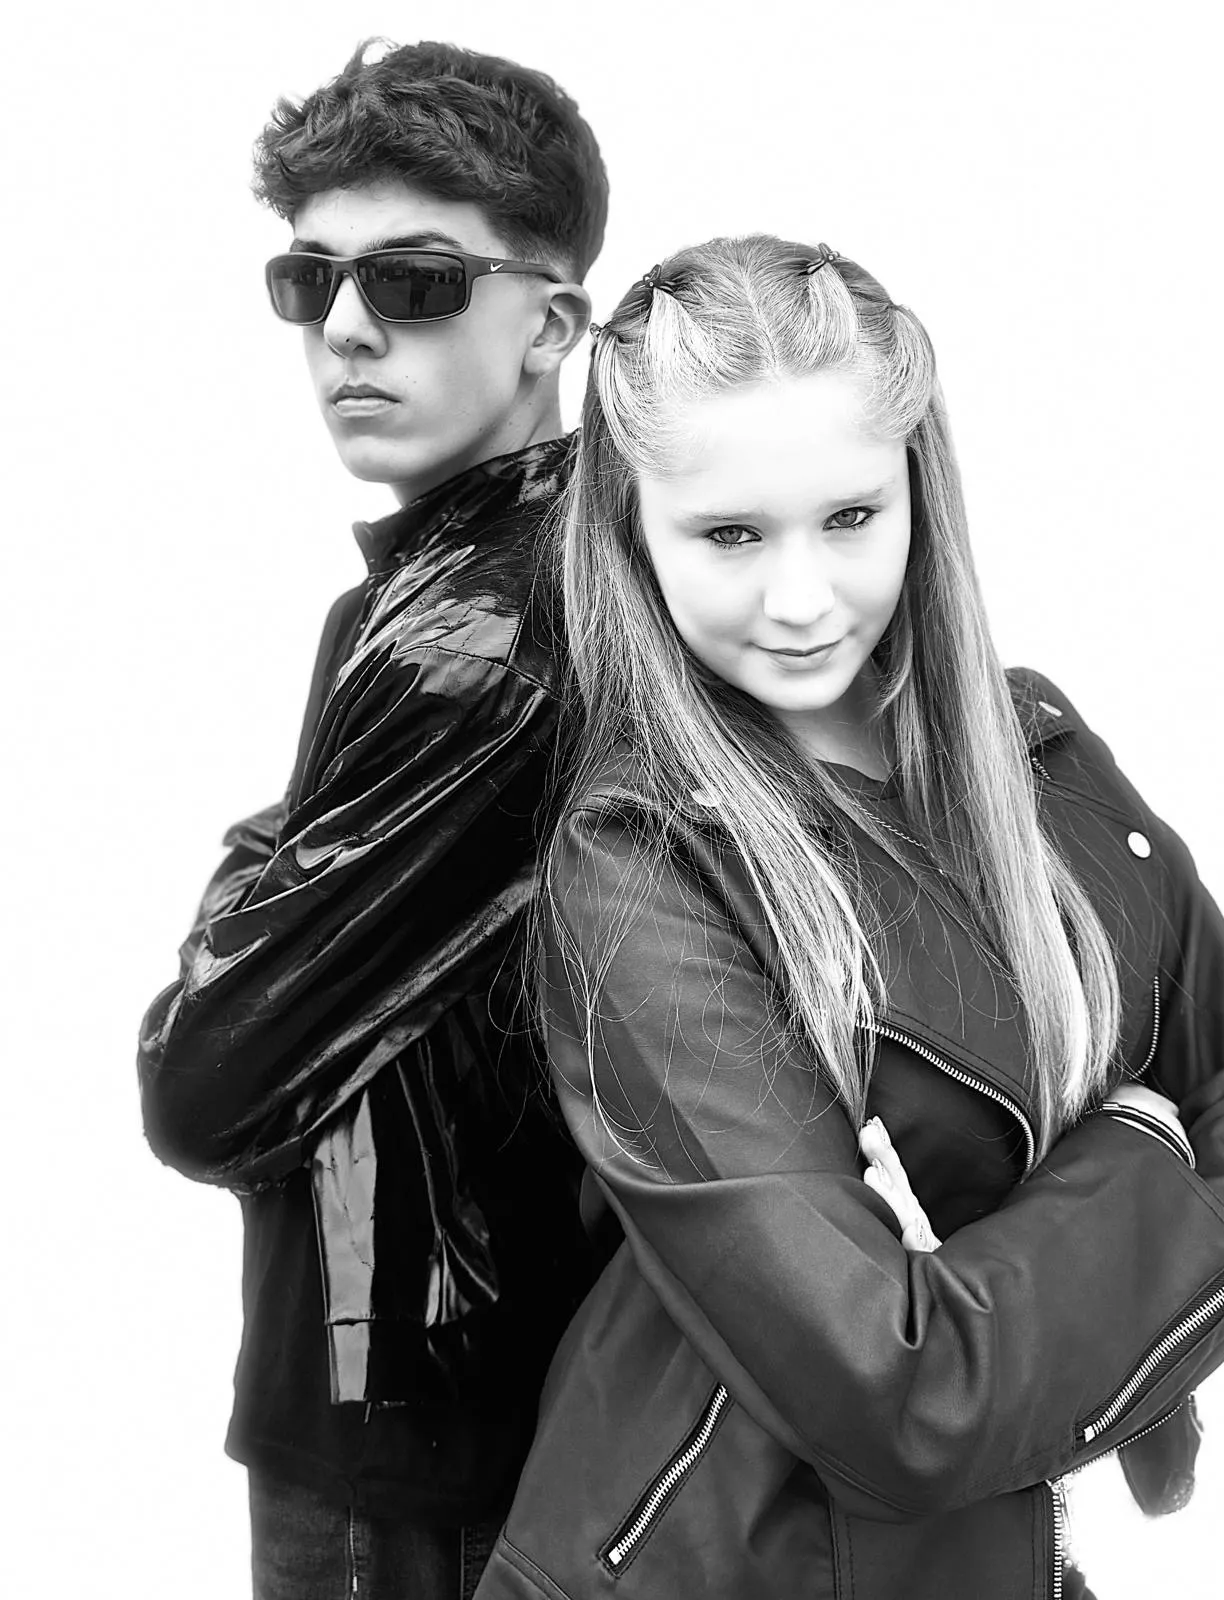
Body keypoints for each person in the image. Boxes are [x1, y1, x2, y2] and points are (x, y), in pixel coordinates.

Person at [476, 237, 1224, 1599]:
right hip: (711, 1568)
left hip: (996, 1554)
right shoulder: (642, 862)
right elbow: (904, 1396)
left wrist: (976, 1289)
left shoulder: (1037, 753)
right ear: (630, 528)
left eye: (851, 517)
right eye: (730, 534)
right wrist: (1144, 1142)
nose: (803, 599)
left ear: (918, 488)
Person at [136, 40, 607, 1600]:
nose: (345, 326)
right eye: (309, 280)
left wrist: (244, 863)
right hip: (479, 1393)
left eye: (413, 281)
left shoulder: (476, 634)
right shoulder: (515, 577)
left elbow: (204, 1084)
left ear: (554, 324)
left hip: (406, 1416)